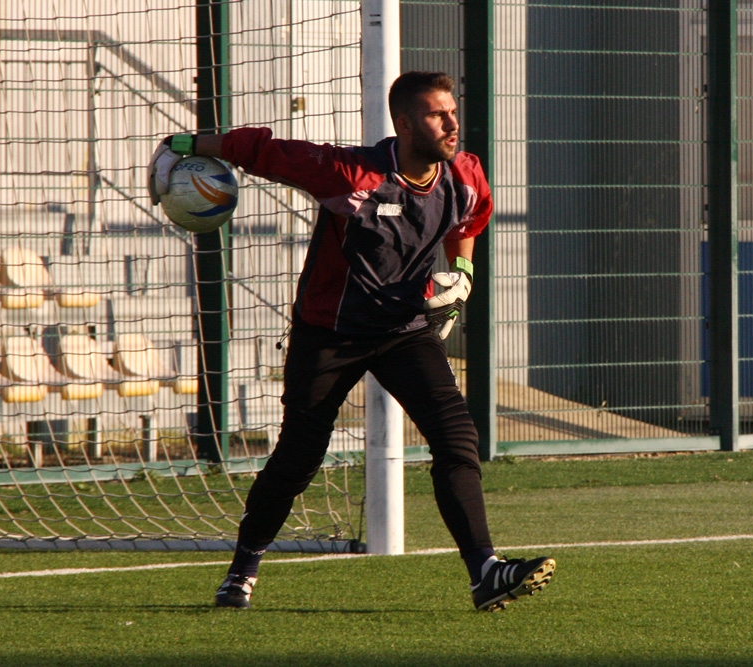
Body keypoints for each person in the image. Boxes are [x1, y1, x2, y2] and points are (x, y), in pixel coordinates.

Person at [148, 71, 555, 611]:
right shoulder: (351, 172)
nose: (453, 123)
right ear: (406, 124)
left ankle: (485, 571)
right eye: (439, 115)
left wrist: (463, 275)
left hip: (404, 330)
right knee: (297, 459)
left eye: (453, 111)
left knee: (458, 440)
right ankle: (243, 567)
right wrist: (187, 144)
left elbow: (470, 219)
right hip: (329, 334)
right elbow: (264, 151)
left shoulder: (464, 174)